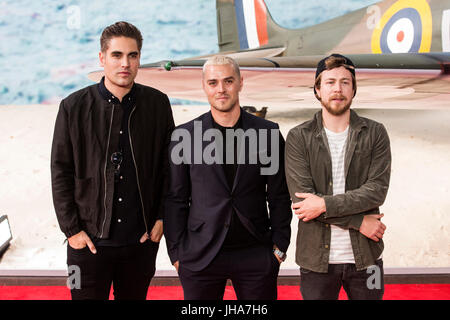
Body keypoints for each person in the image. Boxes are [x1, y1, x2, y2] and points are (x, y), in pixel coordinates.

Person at [51, 21, 174, 300]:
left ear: (139, 58)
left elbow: (170, 169)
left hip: (140, 243)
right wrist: (72, 231)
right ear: (102, 58)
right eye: (117, 55)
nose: (125, 64)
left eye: (133, 55)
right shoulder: (72, 107)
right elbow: (60, 171)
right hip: (85, 245)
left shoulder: (158, 104)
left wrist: (161, 219)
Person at [164, 55, 291, 300]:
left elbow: (279, 196)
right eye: (213, 83)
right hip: (200, 254)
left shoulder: (268, 134)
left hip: (256, 252)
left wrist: (279, 247)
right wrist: (177, 254)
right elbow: (175, 199)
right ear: (204, 86)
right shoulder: (184, 136)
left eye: (228, 81)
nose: (221, 89)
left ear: (241, 83)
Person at [285, 53, 391, 300]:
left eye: (345, 82)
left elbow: (376, 190)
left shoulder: (375, 133)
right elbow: (303, 203)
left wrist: (322, 204)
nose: (338, 89)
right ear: (317, 90)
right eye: (330, 82)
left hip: (369, 259)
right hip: (315, 263)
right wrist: (358, 221)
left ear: (354, 89)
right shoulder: (298, 137)